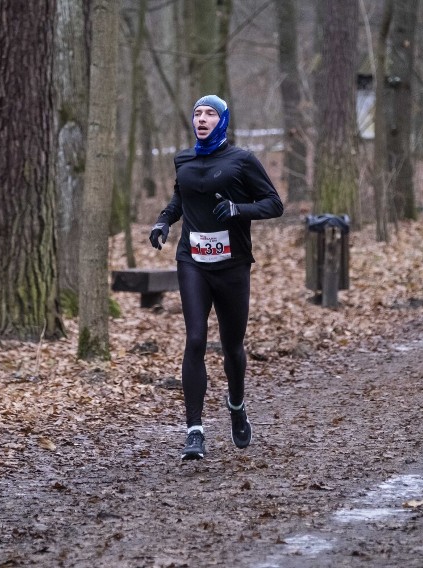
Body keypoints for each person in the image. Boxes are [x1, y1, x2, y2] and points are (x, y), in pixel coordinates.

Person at [149, 95, 283, 460]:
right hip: (192, 260)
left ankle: (237, 406)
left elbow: (274, 203)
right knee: (194, 339)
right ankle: (195, 431)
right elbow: (181, 197)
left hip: (232, 264)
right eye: (197, 113)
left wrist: (239, 209)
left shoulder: (241, 160)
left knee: (232, 347)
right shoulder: (184, 159)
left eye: (210, 113)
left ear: (222, 120)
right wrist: (164, 220)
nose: (202, 119)